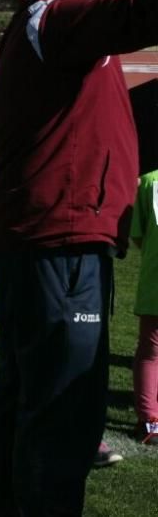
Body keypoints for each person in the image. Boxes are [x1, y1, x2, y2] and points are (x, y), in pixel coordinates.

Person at [0, 0, 158, 516]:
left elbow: (102, 128)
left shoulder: (64, 48)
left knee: (25, 394)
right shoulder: (53, 18)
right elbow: (129, 11)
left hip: (47, 239)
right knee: (65, 406)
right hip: (59, 241)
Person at [130, 169, 158, 446]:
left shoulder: (150, 181)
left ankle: (150, 418)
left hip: (155, 282)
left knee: (151, 352)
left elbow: (138, 235)